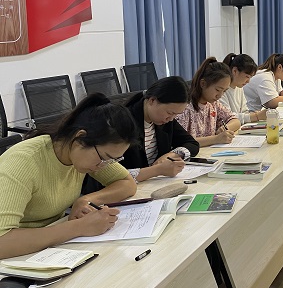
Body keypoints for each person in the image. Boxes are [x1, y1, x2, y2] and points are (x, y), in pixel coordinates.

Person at [0, 94, 139, 259]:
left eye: (112, 160)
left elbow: (127, 183)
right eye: (104, 158)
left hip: (50, 245)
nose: (103, 165)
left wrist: (86, 200)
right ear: (79, 138)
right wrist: (80, 227)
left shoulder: (79, 155)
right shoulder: (23, 162)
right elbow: (3, 242)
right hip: (15, 255)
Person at [122, 76, 200, 181]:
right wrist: (157, 170)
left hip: (156, 182)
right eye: (170, 113)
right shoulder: (124, 122)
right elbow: (114, 175)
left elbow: (192, 143)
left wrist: (173, 154)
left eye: (176, 114)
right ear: (152, 100)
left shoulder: (165, 120)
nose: (171, 119)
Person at [177, 58, 241, 147]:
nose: (220, 95)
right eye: (218, 90)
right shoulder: (184, 108)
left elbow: (235, 120)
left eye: (224, 91)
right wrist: (216, 139)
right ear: (203, 84)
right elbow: (181, 141)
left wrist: (225, 128)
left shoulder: (213, 104)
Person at [219, 53, 267, 125]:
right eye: (247, 77)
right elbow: (227, 117)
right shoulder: (221, 90)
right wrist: (256, 116)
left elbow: (244, 111)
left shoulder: (239, 87)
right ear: (235, 71)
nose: (248, 81)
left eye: (250, 77)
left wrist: (252, 114)